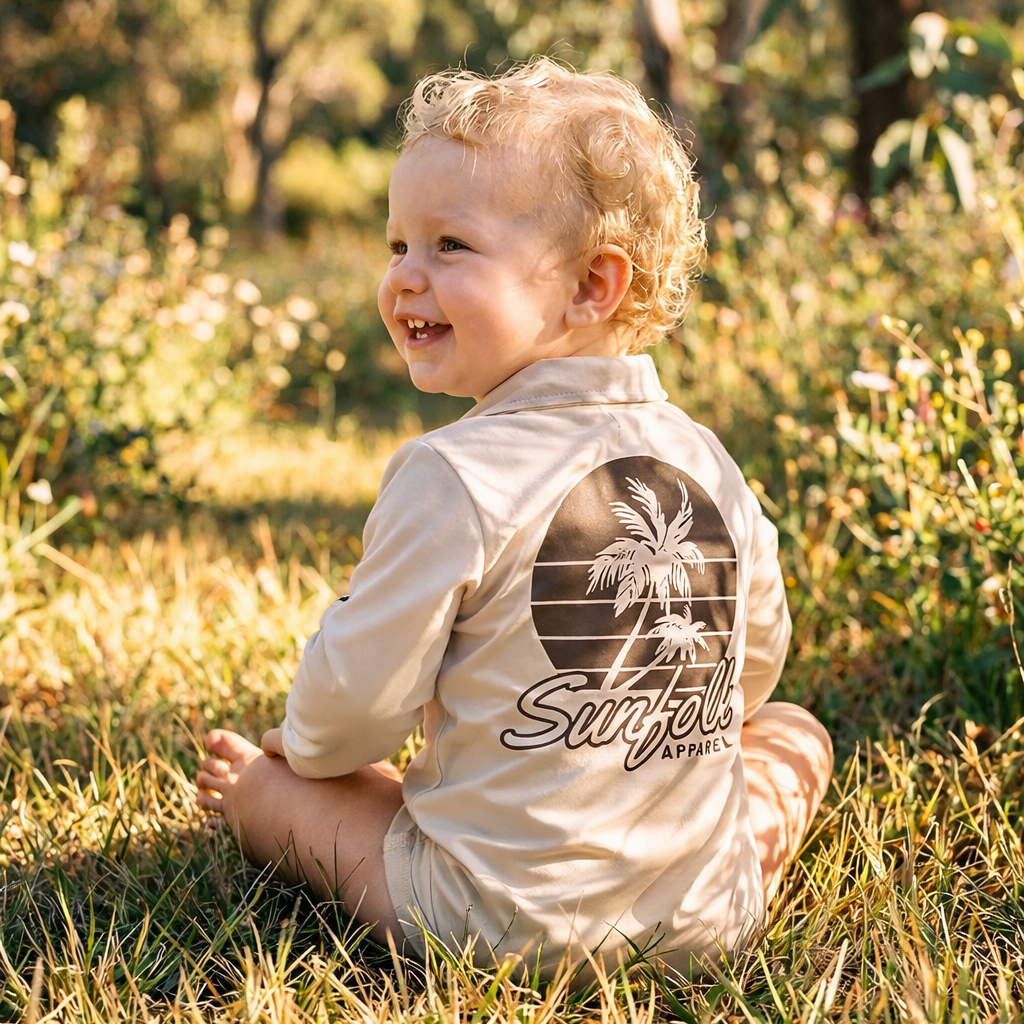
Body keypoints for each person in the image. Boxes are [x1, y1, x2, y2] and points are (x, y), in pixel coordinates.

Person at [195, 57, 833, 978]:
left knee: (294, 790)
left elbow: (352, 720)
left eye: (449, 246)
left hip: (489, 923)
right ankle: (691, 882)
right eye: (396, 246)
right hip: (706, 917)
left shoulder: (449, 474)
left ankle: (262, 798)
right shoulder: (708, 462)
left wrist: (299, 756)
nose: (406, 278)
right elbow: (756, 666)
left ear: (590, 287)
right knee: (796, 731)